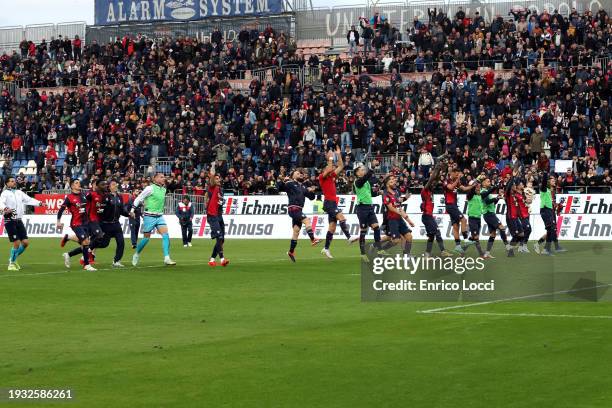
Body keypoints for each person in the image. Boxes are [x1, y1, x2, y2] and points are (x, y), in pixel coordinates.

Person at [130, 173, 176, 266]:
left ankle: (167, 258)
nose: (164, 178)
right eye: (161, 177)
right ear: (155, 178)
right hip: (149, 216)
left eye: (164, 177)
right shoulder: (149, 188)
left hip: (159, 216)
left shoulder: (163, 189)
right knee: (146, 238)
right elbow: (139, 198)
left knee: (166, 235)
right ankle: (136, 254)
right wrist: (132, 210)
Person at [0, 176, 45, 270]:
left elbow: (29, 200)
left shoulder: (19, 192)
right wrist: (5, 209)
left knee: (25, 242)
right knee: (16, 242)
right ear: (7, 183)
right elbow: (1, 203)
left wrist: (39, 203)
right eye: (11, 181)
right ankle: (11, 264)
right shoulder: (5, 193)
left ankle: (13, 258)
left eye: (14, 181)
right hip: (10, 220)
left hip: (19, 220)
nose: (14, 182)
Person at [277, 169, 321, 262]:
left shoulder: (303, 186)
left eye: (300, 173)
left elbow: (311, 198)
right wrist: (283, 180)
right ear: (293, 176)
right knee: (307, 220)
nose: (300, 174)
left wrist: (312, 191)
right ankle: (313, 239)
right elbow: (279, 188)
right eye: (298, 173)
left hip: (298, 210)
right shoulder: (290, 184)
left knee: (296, 231)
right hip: (293, 208)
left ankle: (290, 252)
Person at [319, 147, 352, 259]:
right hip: (329, 203)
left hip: (333, 203)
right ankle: (349, 237)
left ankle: (326, 248)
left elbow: (341, 166)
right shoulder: (322, 177)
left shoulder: (332, 176)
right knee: (341, 218)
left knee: (332, 227)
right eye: (331, 167)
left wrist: (338, 155)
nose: (333, 169)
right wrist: (331, 158)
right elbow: (329, 168)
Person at [57, 179, 96, 271]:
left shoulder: (84, 196)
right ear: (72, 186)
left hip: (86, 223)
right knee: (86, 242)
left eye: (79, 182)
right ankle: (86, 265)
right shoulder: (69, 198)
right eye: (76, 183)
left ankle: (68, 253)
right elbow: (61, 210)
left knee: (84, 244)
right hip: (76, 223)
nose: (79, 184)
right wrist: (58, 221)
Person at [352, 161, 384, 261]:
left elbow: (371, 194)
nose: (363, 171)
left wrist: (378, 192)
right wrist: (372, 167)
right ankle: (362, 253)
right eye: (361, 170)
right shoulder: (358, 182)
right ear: (357, 173)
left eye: (363, 169)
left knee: (376, 227)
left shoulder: (366, 182)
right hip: (362, 209)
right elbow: (367, 176)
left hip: (370, 208)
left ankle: (379, 249)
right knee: (363, 231)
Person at [420, 162, 453, 258]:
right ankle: (443, 251)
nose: (433, 184)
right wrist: (437, 168)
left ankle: (427, 253)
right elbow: (431, 180)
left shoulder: (430, 191)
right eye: (431, 184)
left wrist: (442, 170)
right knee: (437, 232)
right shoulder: (424, 191)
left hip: (428, 216)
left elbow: (435, 179)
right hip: (427, 216)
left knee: (431, 236)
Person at [97, 179, 129, 267]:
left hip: (116, 224)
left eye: (116, 184)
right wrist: (99, 224)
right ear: (109, 187)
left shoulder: (119, 197)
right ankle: (89, 247)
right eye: (113, 184)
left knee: (121, 242)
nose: (116, 186)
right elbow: (100, 211)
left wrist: (129, 214)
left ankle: (116, 261)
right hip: (106, 224)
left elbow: (122, 210)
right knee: (104, 244)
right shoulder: (105, 196)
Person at [382, 175, 415, 256]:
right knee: (396, 240)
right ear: (387, 184)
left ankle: (407, 255)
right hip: (392, 220)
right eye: (391, 181)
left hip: (399, 219)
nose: (394, 182)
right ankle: (381, 249)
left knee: (409, 237)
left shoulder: (396, 192)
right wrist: (400, 212)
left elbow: (399, 203)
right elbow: (391, 208)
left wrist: (409, 220)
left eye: (394, 180)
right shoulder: (385, 194)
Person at [535, 173, 567, 255]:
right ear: (548, 182)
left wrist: (557, 205)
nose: (554, 181)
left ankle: (551, 248)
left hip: (550, 210)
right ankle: (544, 248)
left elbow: (551, 202)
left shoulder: (550, 191)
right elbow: (544, 183)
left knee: (552, 229)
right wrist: (545, 173)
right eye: (552, 180)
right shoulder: (544, 189)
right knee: (551, 230)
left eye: (554, 180)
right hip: (545, 210)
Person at [443, 168, 473, 253]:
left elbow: (464, 188)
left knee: (456, 226)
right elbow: (451, 187)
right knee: (463, 220)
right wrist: (458, 178)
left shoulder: (456, 181)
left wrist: (473, 186)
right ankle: (466, 240)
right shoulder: (446, 181)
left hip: (453, 205)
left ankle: (458, 246)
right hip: (450, 205)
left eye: (458, 175)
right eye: (456, 174)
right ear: (451, 173)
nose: (457, 176)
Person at [205, 163, 229, 267]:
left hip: (219, 216)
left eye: (219, 178)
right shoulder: (212, 187)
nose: (218, 180)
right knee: (219, 236)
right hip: (212, 216)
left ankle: (211, 259)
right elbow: (212, 176)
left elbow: (220, 203)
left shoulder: (220, 190)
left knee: (222, 239)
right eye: (216, 178)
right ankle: (222, 259)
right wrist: (213, 166)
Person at [480, 176, 509, 257]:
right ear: (483, 183)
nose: (489, 183)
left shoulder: (486, 192)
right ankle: (507, 246)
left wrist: (497, 198)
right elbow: (488, 201)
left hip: (489, 214)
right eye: (488, 181)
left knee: (493, 234)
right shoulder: (483, 191)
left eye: (489, 181)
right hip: (489, 214)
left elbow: (492, 203)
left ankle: (487, 253)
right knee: (502, 227)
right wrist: (495, 197)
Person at [465, 180, 490, 258]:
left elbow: (487, 193)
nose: (479, 189)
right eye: (478, 188)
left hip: (478, 218)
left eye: (480, 188)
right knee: (476, 237)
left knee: (473, 237)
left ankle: (462, 249)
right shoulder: (470, 195)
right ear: (474, 188)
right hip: (472, 218)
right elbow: (471, 191)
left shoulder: (480, 195)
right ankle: (481, 254)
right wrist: (474, 185)